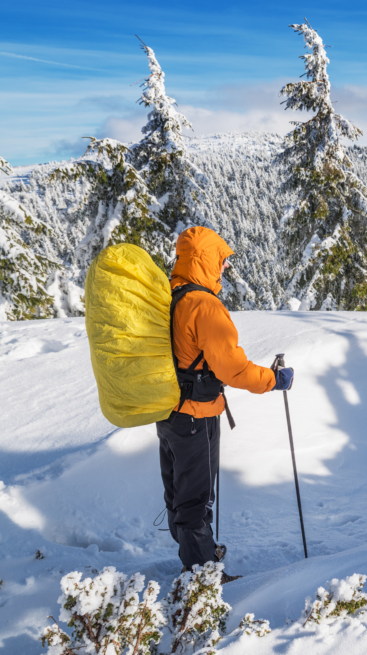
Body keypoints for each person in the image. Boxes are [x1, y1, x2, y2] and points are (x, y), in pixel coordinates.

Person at [157, 226, 293, 579]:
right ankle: (203, 574)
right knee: (196, 495)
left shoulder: (170, 295)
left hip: (168, 411)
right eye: (222, 260)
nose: (226, 267)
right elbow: (232, 369)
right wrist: (272, 380)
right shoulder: (203, 305)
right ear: (205, 260)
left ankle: (199, 550)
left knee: (180, 489)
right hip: (195, 415)